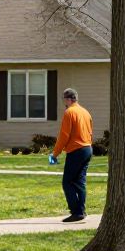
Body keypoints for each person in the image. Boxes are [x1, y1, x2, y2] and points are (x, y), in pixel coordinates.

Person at [50, 88, 94, 223]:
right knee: (80, 182)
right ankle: (81, 210)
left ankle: (76, 212)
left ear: (68, 99)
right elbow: (90, 132)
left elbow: (64, 135)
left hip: (76, 150)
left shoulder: (69, 112)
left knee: (67, 182)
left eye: (64, 99)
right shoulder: (85, 112)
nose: (64, 102)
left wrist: (55, 153)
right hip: (87, 149)